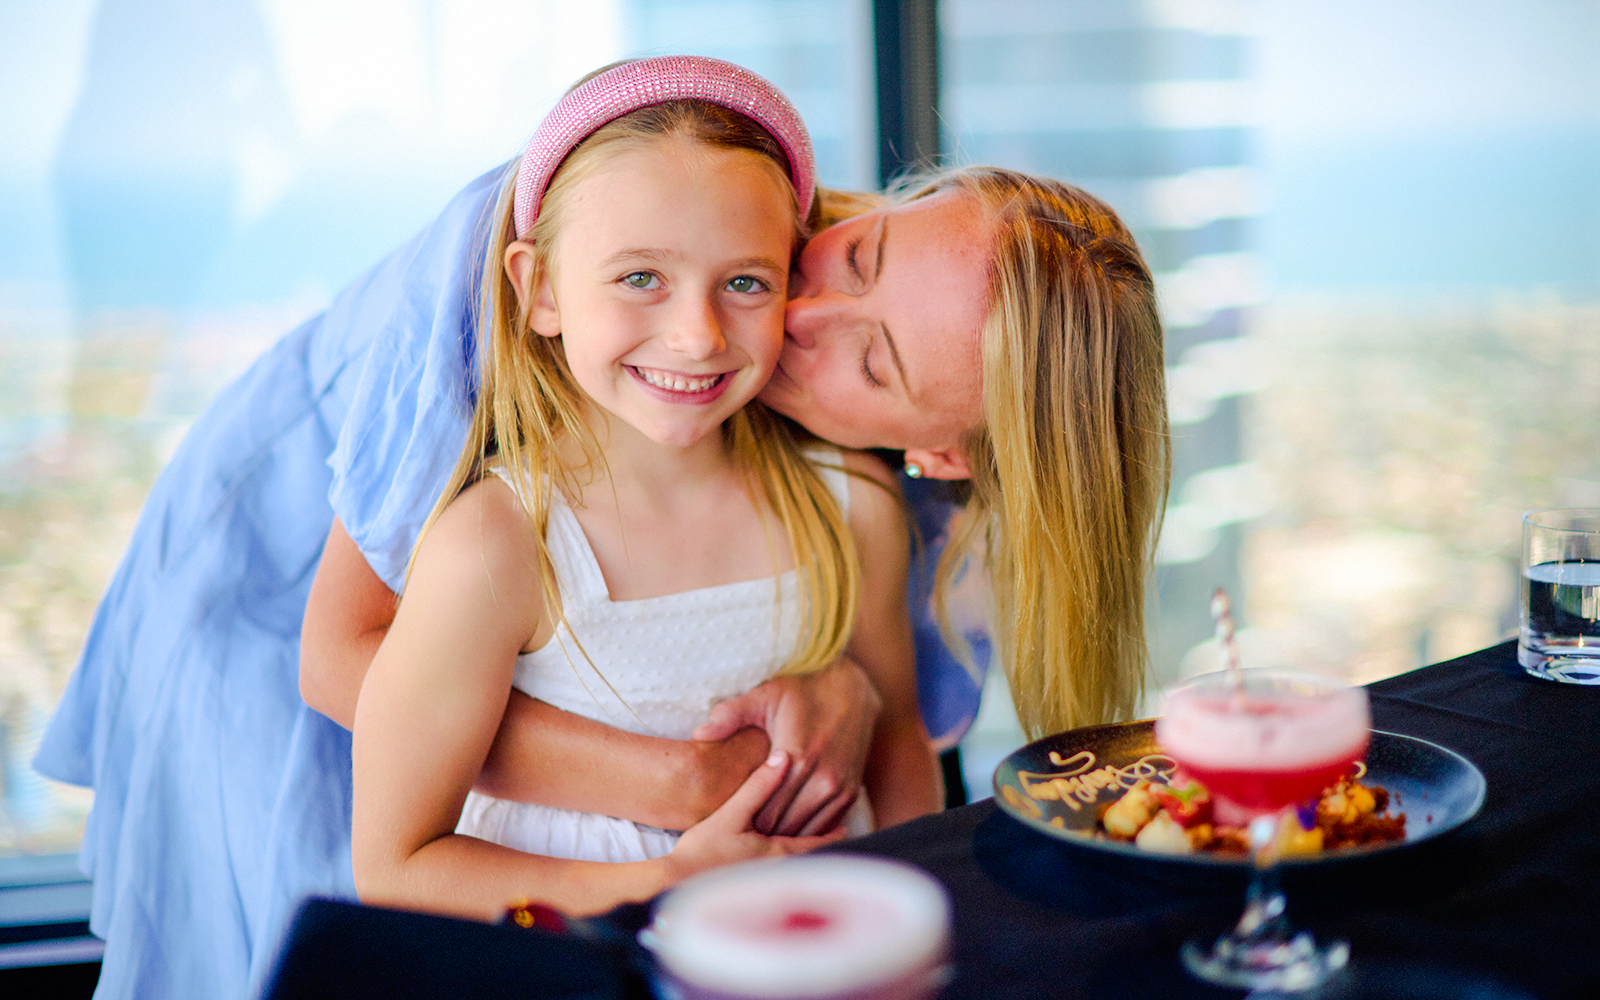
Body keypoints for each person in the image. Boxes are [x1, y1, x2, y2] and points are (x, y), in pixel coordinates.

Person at [35, 57, 1168, 1000]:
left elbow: (893, 740)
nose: (797, 315)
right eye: (856, 252)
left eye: (870, 360)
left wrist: (853, 695)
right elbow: (339, 663)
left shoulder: (847, 466)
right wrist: (681, 803)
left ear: (939, 455)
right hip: (269, 604)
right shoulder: (584, 287)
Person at [347, 56, 939, 921]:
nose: (696, 337)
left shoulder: (852, 509)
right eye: (640, 278)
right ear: (540, 288)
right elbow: (396, 865)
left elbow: (896, 754)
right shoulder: (496, 547)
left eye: (744, 282)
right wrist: (661, 886)